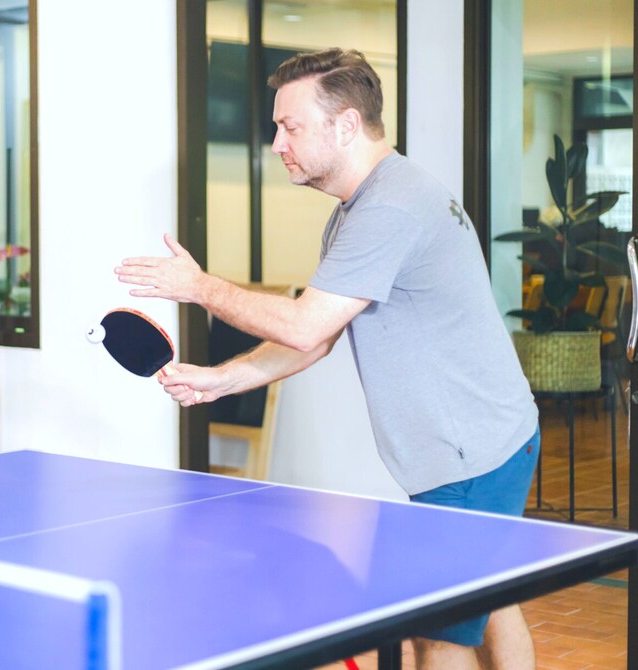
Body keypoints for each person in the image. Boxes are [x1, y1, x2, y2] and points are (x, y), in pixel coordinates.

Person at [114, 48, 540, 670]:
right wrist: (220, 380)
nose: (277, 143)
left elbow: (305, 323)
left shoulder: (390, 207)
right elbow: (316, 338)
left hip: (467, 457)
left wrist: (200, 287)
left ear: (345, 125)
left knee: (437, 635)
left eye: (290, 126)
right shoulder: (359, 208)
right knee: (493, 600)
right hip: (489, 435)